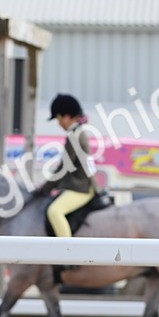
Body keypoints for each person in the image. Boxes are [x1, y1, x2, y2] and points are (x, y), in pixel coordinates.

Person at [39, 93, 98, 239]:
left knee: (54, 211)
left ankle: (67, 251)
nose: (59, 124)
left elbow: (64, 167)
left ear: (66, 116)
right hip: (83, 185)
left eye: (59, 119)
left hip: (81, 188)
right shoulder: (78, 132)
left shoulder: (74, 135)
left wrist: (44, 189)